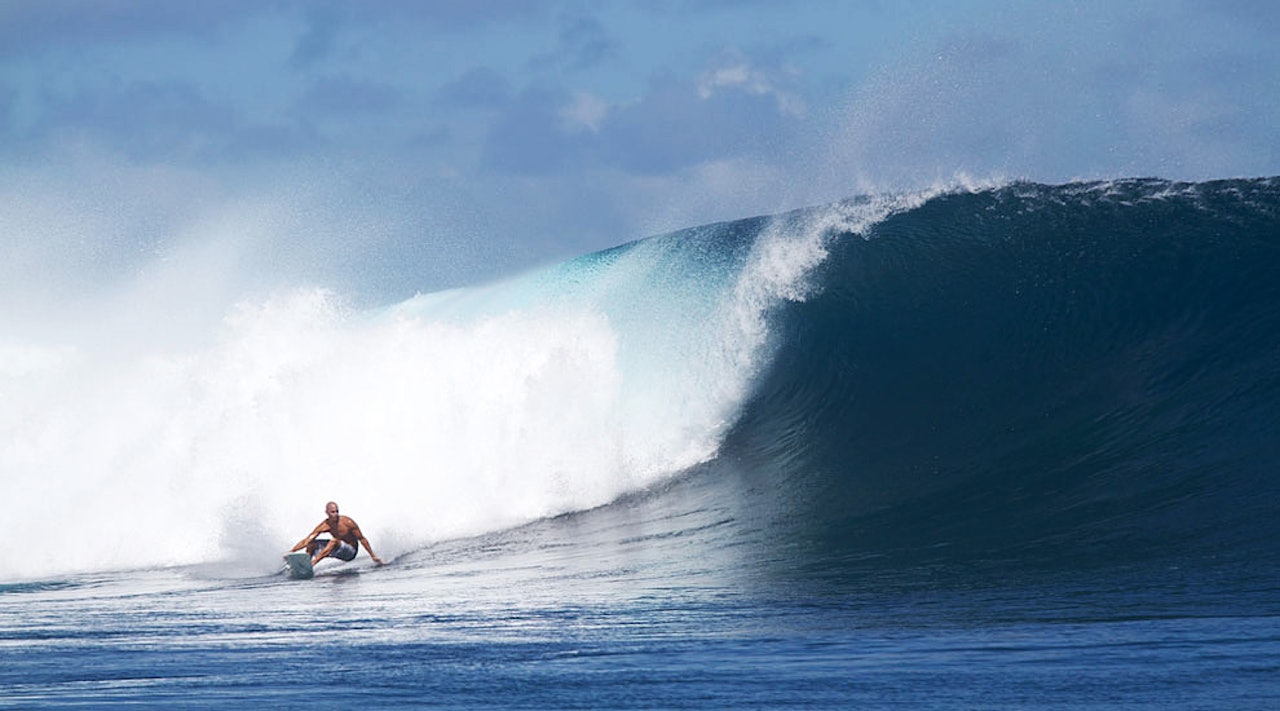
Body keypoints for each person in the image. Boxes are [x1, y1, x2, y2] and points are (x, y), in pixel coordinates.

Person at [289, 501, 386, 566]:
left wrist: (373, 556)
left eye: (337, 511)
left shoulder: (347, 522)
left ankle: (313, 564)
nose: (335, 514)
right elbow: (308, 539)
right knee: (311, 544)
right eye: (332, 512)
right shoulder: (324, 525)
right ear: (326, 512)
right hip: (337, 550)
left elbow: (362, 539)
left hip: (350, 552)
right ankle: (306, 566)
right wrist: (291, 552)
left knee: (334, 540)